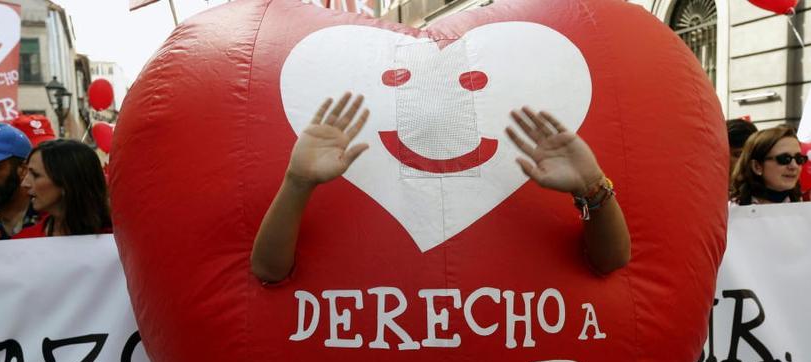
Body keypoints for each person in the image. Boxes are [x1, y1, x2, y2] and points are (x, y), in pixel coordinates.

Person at [250, 93, 630, 283]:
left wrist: (593, 186)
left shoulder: (516, 173)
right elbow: (268, 269)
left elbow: (610, 261)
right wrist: (297, 183)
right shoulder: (360, 174)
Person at [19, 139, 112, 237]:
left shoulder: (118, 239)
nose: (24, 183)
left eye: (35, 175)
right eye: (27, 173)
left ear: (67, 182)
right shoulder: (22, 241)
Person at [730, 126, 805, 205]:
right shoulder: (730, 211)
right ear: (757, 166)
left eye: (799, 159)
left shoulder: (807, 207)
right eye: (784, 159)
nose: (794, 166)